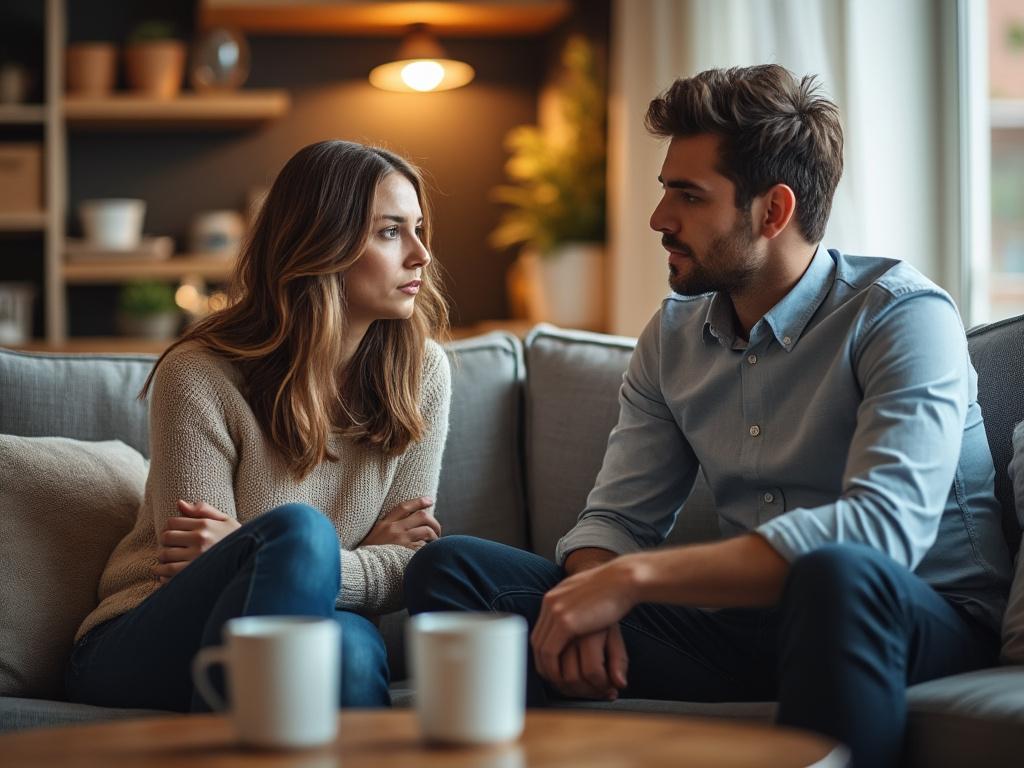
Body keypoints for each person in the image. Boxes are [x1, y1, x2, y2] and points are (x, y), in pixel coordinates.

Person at [404, 65, 1012, 767]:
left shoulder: (903, 317)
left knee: (836, 574)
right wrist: (588, 587)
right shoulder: (673, 337)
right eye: (666, 191)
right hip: (750, 633)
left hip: (914, 621)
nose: (660, 220)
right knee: (455, 572)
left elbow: (881, 533)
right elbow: (619, 519)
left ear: (773, 212)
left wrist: (628, 582)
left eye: (688, 197)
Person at [66, 140, 451, 711]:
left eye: (418, 229)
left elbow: (410, 565)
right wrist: (315, 554)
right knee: (299, 531)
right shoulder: (198, 373)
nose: (420, 254)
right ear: (320, 242)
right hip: (147, 635)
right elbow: (194, 568)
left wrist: (269, 556)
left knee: (348, 650)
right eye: (390, 232)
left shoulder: (421, 373)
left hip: (325, 626)